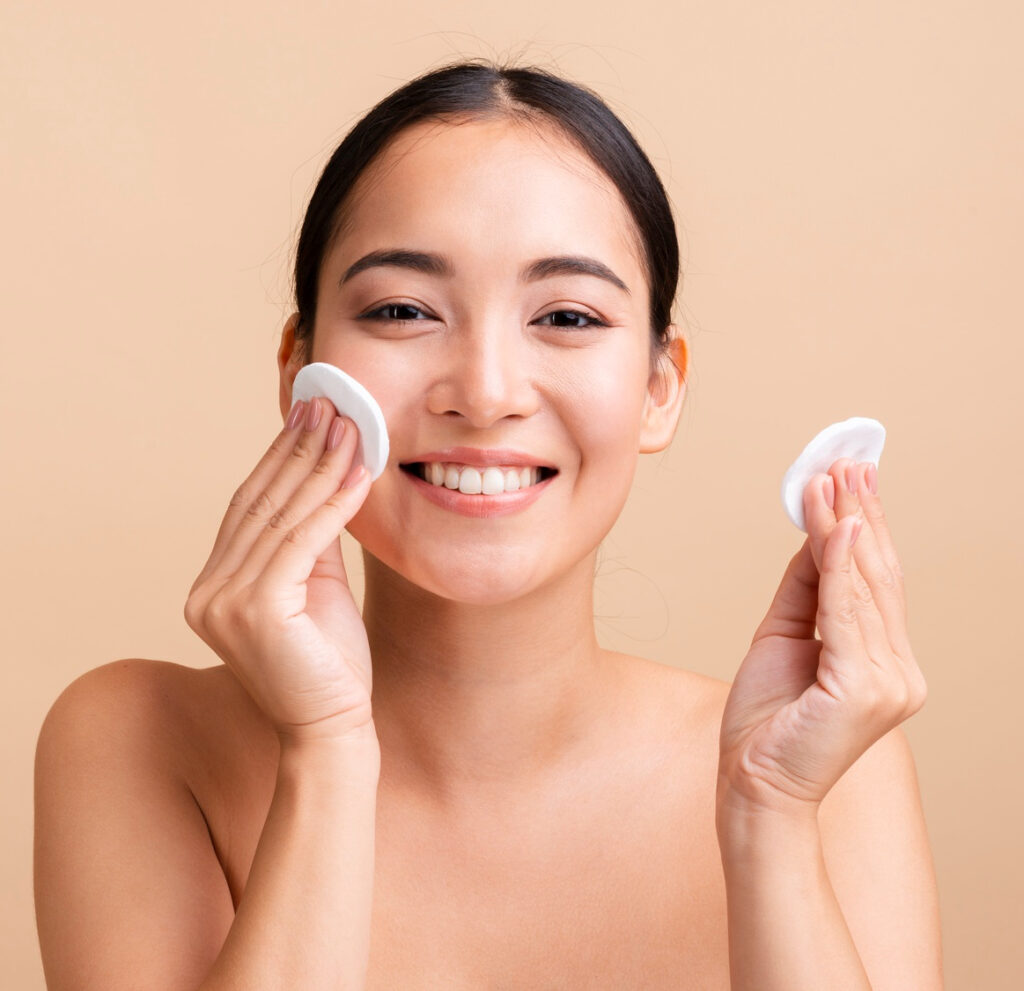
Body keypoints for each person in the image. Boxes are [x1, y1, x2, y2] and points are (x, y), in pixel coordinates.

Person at [34, 60, 942, 989]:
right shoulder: (138, 740)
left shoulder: (827, 764)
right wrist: (326, 753)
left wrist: (771, 813)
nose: (485, 391)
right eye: (402, 310)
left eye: (567, 316)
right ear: (298, 369)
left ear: (659, 387)